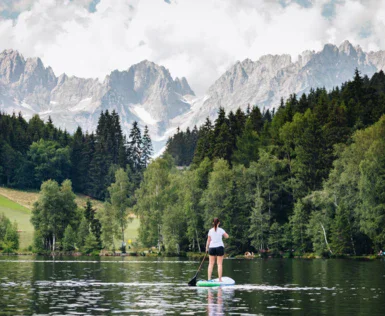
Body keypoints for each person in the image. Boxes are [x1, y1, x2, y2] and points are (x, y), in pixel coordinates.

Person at [206, 217, 229, 282]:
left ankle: (209, 279)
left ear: (213, 223)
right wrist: (225, 235)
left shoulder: (210, 231)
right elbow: (227, 236)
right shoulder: (221, 230)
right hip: (219, 247)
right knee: (219, 264)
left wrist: (206, 248)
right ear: (219, 223)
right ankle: (220, 279)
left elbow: (208, 240)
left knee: (210, 264)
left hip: (211, 248)